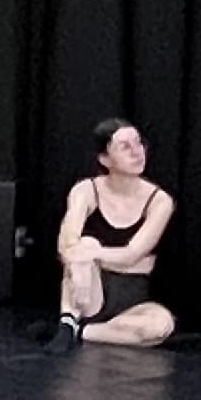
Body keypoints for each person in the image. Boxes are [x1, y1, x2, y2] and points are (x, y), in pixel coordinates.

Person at [52, 118, 175, 349]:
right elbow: (66, 243)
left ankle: (81, 331)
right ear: (104, 159)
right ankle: (68, 319)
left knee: (160, 326)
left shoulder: (159, 200)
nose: (137, 152)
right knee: (83, 244)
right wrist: (84, 254)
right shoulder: (86, 190)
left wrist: (91, 254)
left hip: (132, 299)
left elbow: (132, 254)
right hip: (88, 290)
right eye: (125, 147)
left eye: (138, 144)